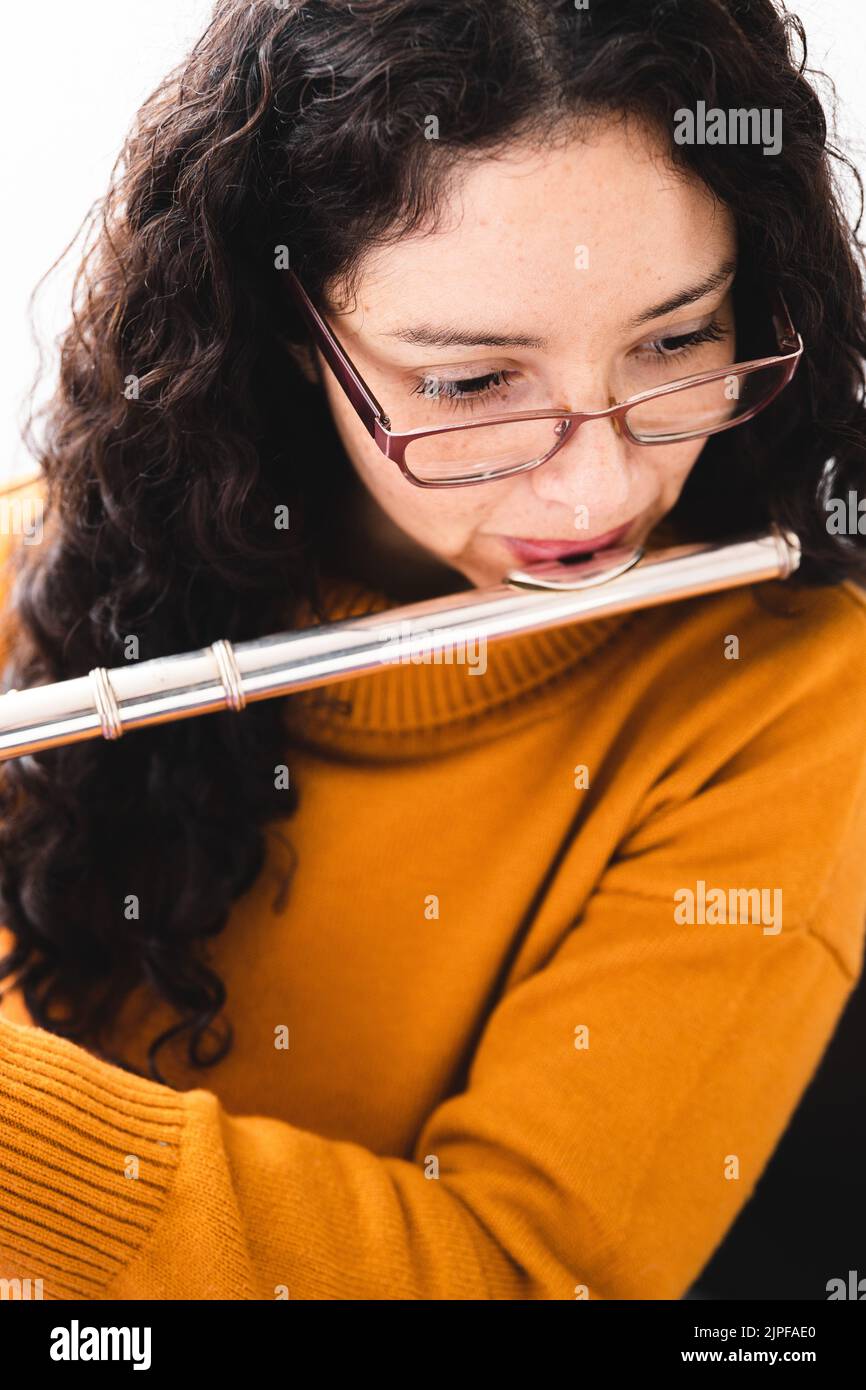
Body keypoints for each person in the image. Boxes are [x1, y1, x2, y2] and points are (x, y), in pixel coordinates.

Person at [1, 0, 865, 1301]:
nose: (594, 501)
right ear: (294, 330)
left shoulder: (792, 688)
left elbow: (520, 1280)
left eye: (678, 338)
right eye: (469, 385)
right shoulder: (41, 569)